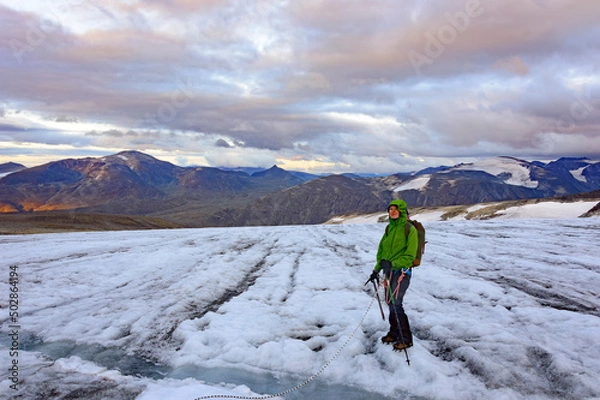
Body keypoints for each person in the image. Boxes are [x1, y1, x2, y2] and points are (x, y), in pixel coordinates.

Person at [368, 199, 418, 351]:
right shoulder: (389, 229)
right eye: (391, 209)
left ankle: (405, 338)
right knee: (391, 303)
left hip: (402, 272)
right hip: (389, 272)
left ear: (402, 211)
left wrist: (392, 265)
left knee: (396, 303)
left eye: (396, 209)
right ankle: (394, 332)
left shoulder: (410, 229)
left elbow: (410, 256)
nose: (393, 212)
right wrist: (376, 270)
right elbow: (382, 252)